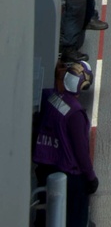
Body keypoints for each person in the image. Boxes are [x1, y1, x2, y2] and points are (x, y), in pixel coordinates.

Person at [33, 58, 99, 226]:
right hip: (69, 173)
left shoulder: (51, 98)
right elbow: (81, 151)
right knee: (76, 214)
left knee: (45, 209)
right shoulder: (75, 114)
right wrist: (90, 177)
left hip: (46, 165)